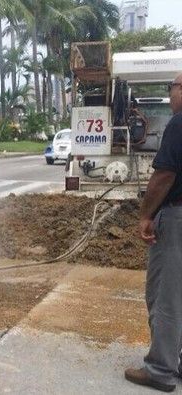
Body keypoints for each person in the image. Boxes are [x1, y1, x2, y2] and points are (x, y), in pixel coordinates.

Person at [125, 73, 182, 393]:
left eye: (171, 87)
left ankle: (161, 369)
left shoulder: (178, 123)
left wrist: (146, 215)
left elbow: (164, 175)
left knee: (165, 294)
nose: (170, 94)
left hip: (177, 217)